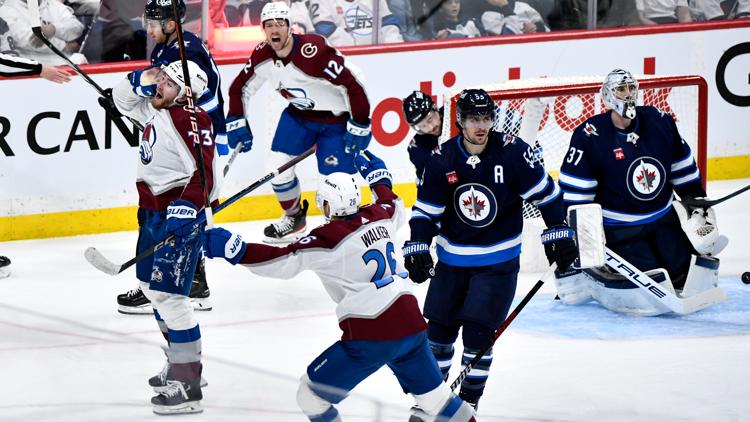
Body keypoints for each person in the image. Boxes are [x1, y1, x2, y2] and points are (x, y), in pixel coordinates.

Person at [201, 151, 477, 422]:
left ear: (328, 206)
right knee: (439, 401)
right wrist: (379, 177)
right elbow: (391, 199)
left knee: (311, 396)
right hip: (413, 326)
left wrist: (234, 249)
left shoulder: (326, 239)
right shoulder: (382, 214)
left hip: (372, 333)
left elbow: (281, 260)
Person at [402, 88, 577, 410]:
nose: (480, 126)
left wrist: (559, 231)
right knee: (437, 333)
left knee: (478, 336)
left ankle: (468, 403)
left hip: (497, 264)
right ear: (459, 121)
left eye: (485, 118)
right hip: (452, 261)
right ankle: (431, 400)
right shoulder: (441, 159)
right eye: (472, 119)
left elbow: (548, 196)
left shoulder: (512, 153)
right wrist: (418, 244)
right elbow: (426, 211)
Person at [555, 68, 726, 316]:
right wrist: (579, 239)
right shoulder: (589, 135)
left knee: (682, 275)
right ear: (607, 96)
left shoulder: (659, 121)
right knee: (651, 281)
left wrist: (694, 197)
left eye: (631, 88)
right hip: (622, 230)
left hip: (664, 221)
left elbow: (681, 165)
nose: (627, 95)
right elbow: (576, 195)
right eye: (620, 89)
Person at [114, 0, 240, 315]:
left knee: (186, 210)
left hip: (200, 136)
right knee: (177, 212)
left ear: (173, 23)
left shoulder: (185, 54)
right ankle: (187, 284)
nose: (149, 28)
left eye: (156, 22)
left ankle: (182, 286)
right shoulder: (170, 48)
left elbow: (169, 92)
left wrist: (133, 93)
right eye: (149, 20)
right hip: (187, 130)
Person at [110, 60, 217, 415]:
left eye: (168, 83)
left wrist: (186, 211)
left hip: (176, 218)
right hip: (152, 214)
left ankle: (188, 384)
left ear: (186, 93)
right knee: (154, 292)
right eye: (160, 81)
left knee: (172, 300)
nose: (159, 87)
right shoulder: (157, 110)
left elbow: (206, 176)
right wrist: (147, 75)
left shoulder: (191, 119)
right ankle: (179, 363)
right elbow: (121, 98)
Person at [227, 1, 373, 243]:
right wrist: (236, 120)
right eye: (269, 25)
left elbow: (353, 84)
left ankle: (341, 231)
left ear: (290, 27)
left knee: (336, 181)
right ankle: (294, 219)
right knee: (276, 168)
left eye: (280, 24)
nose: (275, 30)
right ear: (263, 29)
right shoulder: (262, 55)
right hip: (299, 116)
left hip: (335, 121)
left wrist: (360, 122)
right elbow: (238, 89)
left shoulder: (312, 51)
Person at [0, 0, 87, 65]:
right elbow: (29, 40)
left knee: (81, 60)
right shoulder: (7, 9)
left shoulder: (52, 4)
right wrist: (64, 46)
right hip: (33, 64)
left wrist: (54, 29)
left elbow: (77, 27)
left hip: (64, 60)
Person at [308, 0, 404, 46]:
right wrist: (358, 54)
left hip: (380, 56)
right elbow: (325, 30)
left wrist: (394, 51)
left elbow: (389, 25)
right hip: (346, 61)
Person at [402, 90, 443, 178]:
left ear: (435, 107)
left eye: (430, 119)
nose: (431, 127)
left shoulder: (454, 113)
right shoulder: (417, 148)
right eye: (423, 125)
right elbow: (428, 185)